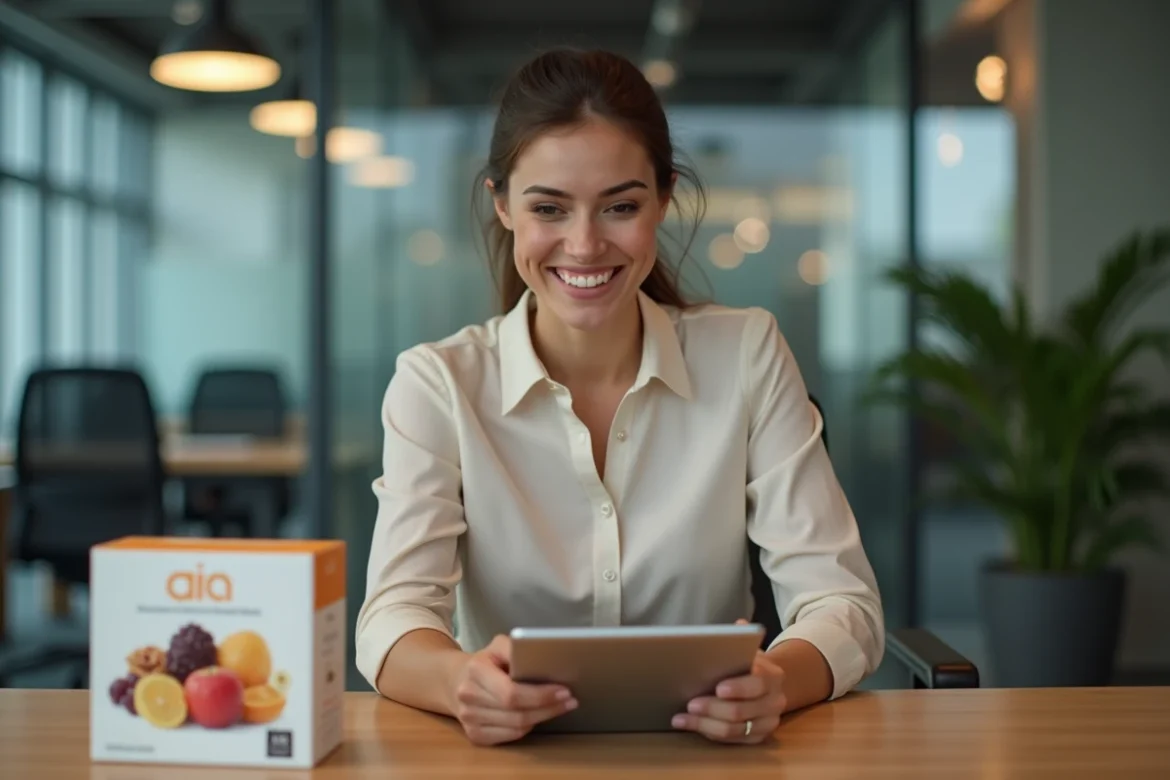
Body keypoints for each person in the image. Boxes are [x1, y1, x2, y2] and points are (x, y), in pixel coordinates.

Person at [356, 48, 883, 747]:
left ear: (663, 199)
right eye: (549, 207)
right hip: (513, 760)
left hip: (712, 756)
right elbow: (393, 615)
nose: (584, 245)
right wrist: (461, 683)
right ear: (502, 204)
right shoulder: (439, 384)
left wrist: (777, 681)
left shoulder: (747, 354)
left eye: (620, 206)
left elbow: (841, 601)